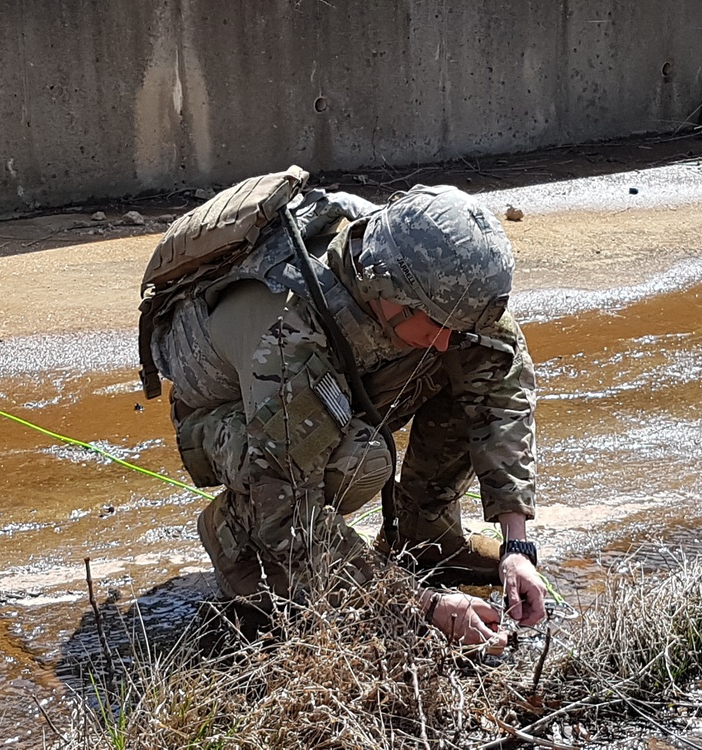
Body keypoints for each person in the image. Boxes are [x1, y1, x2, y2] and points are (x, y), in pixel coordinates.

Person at [149, 180, 546, 649]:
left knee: (471, 357)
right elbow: (292, 517)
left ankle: (426, 528)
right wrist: (421, 605)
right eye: (436, 326)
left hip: (332, 377)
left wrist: (516, 546)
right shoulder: (289, 339)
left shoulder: (438, 284)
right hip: (232, 413)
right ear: (389, 291)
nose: (444, 340)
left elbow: (501, 388)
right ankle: (233, 532)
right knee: (359, 459)